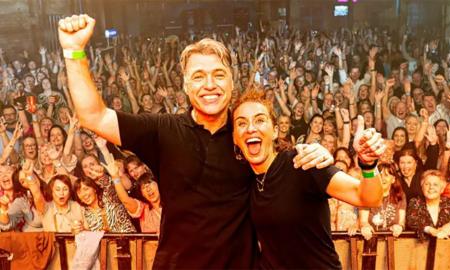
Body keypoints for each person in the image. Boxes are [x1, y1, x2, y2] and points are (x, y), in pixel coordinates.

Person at [58, 14, 333, 269]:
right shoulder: (162, 130)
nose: (209, 84)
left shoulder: (247, 134)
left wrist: (318, 152)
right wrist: (73, 53)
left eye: (218, 74)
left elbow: (287, 164)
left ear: (231, 81)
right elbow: (93, 116)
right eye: (198, 77)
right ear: (186, 85)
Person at [232, 89, 385, 269]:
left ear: (274, 132)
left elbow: (368, 197)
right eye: (242, 123)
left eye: (259, 120)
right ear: (235, 138)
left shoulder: (302, 161)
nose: (251, 128)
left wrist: (368, 165)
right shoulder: (244, 179)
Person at [407, 170, 450, 240]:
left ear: (442, 189)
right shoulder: (415, 202)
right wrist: (431, 230)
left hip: (448, 247)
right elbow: (412, 222)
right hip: (420, 247)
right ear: (422, 187)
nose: (431, 187)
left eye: (435, 184)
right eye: (427, 184)